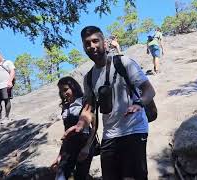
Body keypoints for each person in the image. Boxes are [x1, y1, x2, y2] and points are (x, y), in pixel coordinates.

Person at [63, 26, 155, 180]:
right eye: (87, 43)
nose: (92, 46)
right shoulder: (89, 77)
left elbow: (149, 90)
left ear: (104, 43)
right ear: (84, 48)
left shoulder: (123, 62)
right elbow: (88, 110)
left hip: (134, 130)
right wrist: (80, 124)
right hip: (109, 135)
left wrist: (139, 103)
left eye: (95, 41)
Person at [51, 76, 94, 180]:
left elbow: (94, 126)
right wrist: (60, 155)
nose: (64, 93)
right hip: (69, 146)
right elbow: (66, 132)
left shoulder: (84, 102)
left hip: (84, 142)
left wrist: (87, 147)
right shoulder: (65, 107)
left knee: (80, 176)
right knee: (60, 176)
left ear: (73, 87)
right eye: (61, 91)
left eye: (66, 89)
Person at [0, 50, 15, 122]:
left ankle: (6, 117)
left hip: (5, 84)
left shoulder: (8, 62)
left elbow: (12, 71)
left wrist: (10, 81)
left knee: (6, 100)